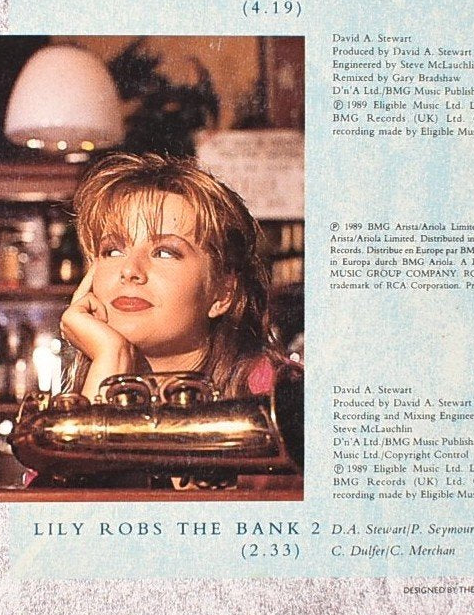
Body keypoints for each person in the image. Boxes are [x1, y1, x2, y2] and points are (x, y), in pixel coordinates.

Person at [56, 152, 302, 480]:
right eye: (113, 250)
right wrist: (110, 358)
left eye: (165, 252)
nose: (129, 270)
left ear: (223, 293)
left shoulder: (278, 396)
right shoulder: (76, 394)